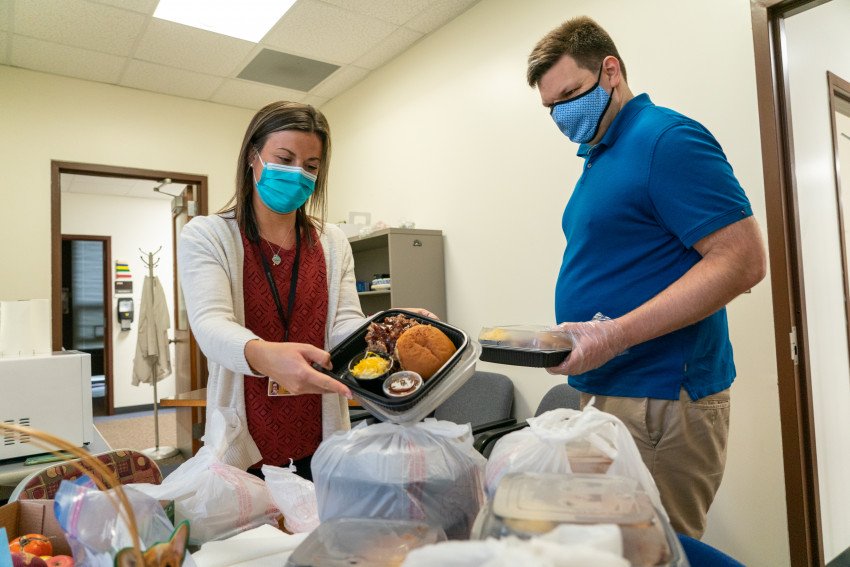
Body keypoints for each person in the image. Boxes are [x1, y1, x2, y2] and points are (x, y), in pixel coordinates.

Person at [526, 17, 766, 537]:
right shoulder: (600, 156)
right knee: (613, 545)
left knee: (655, 548)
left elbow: (742, 261)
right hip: (605, 389)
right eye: (551, 108)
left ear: (610, 71)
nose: (562, 115)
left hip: (659, 397)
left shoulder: (666, 139)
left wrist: (614, 334)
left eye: (570, 95)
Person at [179, 101, 436, 480]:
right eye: (284, 159)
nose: (297, 174)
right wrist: (264, 355)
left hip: (320, 432)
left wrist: (389, 329)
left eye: (311, 167)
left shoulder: (331, 242)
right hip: (245, 438)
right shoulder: (209, 235)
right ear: (253, 156)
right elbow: (211, 325)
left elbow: (343, 324)